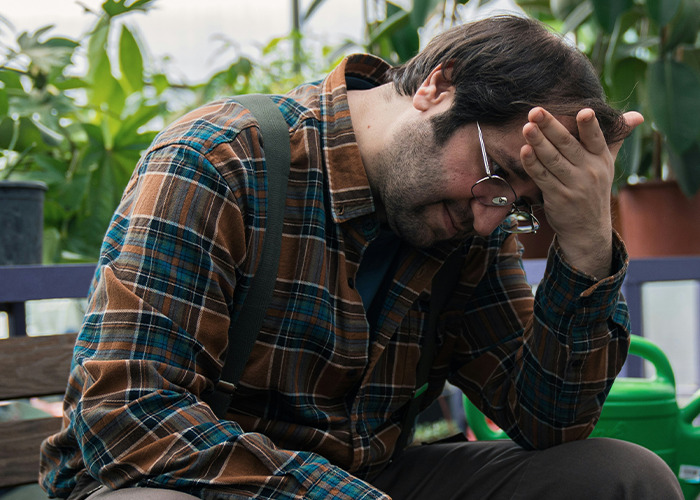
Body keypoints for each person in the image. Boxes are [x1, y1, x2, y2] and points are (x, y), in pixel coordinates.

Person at [40, 14, 682, 500]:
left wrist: (587, 244)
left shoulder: (469, 219)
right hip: (195, 481)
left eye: (521, 204)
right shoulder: (218, 161)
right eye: (499, 173)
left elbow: (548, 423)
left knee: (622, 478)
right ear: (437, 86)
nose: (492, 215)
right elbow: (123, 414)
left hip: (367, 480)